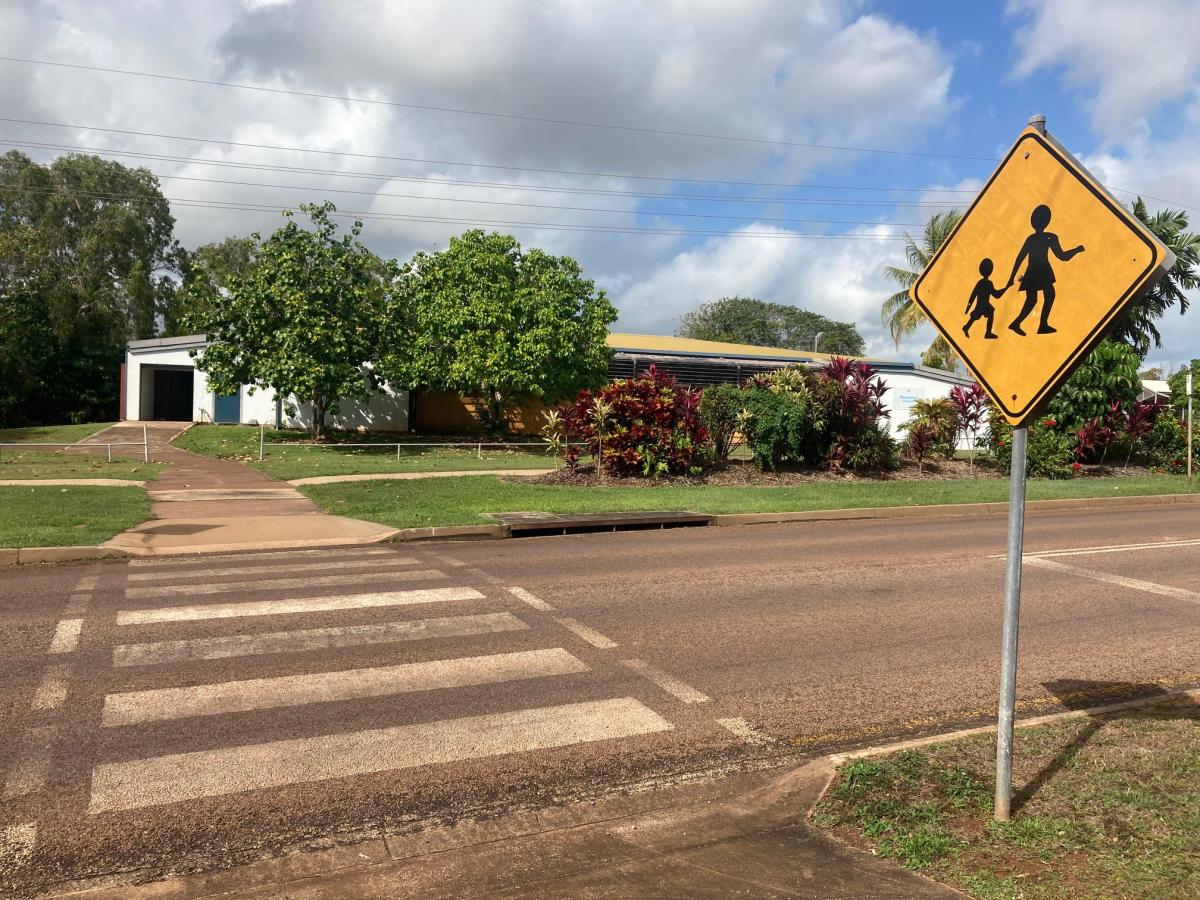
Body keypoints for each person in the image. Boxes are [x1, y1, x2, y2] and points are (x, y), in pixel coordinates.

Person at [1006, 204, 1084, 335]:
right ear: (1047, 220)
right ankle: (1024, 323)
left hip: (1035, 272)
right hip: (1040, 272)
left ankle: (1036, 324)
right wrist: (1076, 250)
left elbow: (1020, 258)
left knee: (1041, 297)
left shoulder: (1034, 238)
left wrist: (1011, 278)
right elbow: (1062, 256)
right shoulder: (1049, 237)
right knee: (1040, 297)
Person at [963, 258, 1006, 339]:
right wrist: (1006, 288)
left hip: (982, 304)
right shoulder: (988, 283)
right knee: (977, 316)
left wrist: (968, 307)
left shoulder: (980, 282)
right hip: (983, 304)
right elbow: (996, 295)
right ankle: (987, 333)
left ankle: (966, 327)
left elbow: (973, 295)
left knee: (976, 316)